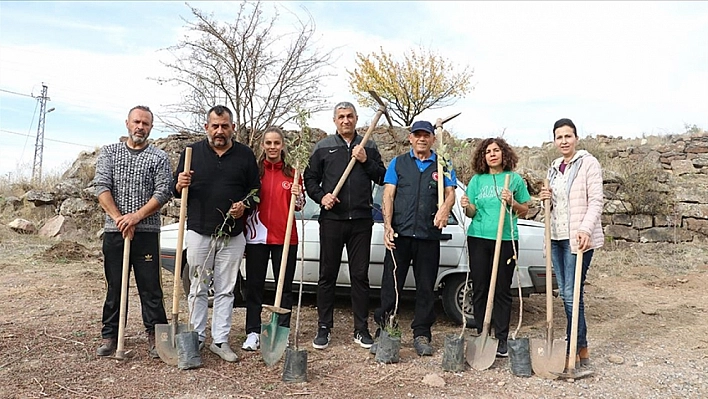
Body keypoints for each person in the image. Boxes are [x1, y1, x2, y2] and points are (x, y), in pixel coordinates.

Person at [173, 105, 260, 362]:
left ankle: (220, 340)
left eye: (225, 126)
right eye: (215, 126)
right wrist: (179, 184)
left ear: (233, 127)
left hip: (233, 235)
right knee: (198, 288)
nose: (220, 131)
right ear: (206, 128)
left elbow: (256, 192)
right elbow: (175, 189)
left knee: (226, 290)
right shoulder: (192, 154)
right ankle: (197, 337)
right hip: (199, 232)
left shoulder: (244, 155)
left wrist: (244, 206)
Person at [303, 101, 386, 350]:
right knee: (327, 274)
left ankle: (361, 329)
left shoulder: (368, 145)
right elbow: (310, 178)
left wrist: (364, 160)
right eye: (341, 116)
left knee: (360, 276)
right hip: (332, 220)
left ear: (356, 118)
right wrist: (321, 197)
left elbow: (382, 176)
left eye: (350, 116)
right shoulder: (323, 147)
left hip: (361, 220)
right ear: (335, 120)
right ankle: (324, 328)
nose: (346, 120)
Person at [93, 105, 172, 359]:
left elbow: (162, 192)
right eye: (137, 122)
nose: (140, 127)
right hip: (116, 232)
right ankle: (111, 334)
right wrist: (120, 219)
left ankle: (156, 335)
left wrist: (136, 217)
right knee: (114, 285)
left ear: (151, 128)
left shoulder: (158, 157)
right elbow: (102, 187)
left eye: (146, 124)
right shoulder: (109, 153)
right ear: (127, 123)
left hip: (146, 232)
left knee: (151, 287)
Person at [372, 120, 456, 356]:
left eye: (426, 135)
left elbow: (450, 194)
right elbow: (388, 195)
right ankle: (386, 330)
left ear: (432, 138)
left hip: (428, 236)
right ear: (410, 138)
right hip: (399, 235)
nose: (421, 139)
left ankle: (422, 334)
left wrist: (444, 209)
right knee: (391, 286)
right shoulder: (398, 163)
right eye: (417, 135)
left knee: (426, 288)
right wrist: (387, 226)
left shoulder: (443, 163)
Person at [539, 118, 603, 367]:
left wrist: (586, 228)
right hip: (556, 236)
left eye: (568, 136)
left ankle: (573, 345)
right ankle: (582, 347)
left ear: (576, 138)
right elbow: (556, 205)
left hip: (578, 238)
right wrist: (546, 198)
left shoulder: (588, 163)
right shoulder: (554, 168)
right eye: (559, 137)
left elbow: (596, 200)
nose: (563, 141)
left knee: (570, 294)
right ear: (554, 141)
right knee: (569, 295)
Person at [460, 137, 530, 357]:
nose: (492, 154)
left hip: (506, 238)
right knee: (480, 287)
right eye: (488, 151)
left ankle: (501, 338)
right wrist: (466, 206)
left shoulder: (514, 179)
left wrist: (512, 202)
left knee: (501, 289)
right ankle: (483, 332)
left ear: (504, 154)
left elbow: (524, 211)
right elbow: (471, 213)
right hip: (479, 238)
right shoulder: (477, 181)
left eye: (496, 150)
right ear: (483, 156)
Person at [242, 126, 305, 351]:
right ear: (262, 145)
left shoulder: (292, 173)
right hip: (257, 237)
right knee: (255, 287)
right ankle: (253, 332)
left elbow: (300, 206)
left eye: (276, 143)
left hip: (286, 239)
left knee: (284, 287)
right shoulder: (254, 172)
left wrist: (298, 195)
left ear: (282, 145)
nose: (272, 147)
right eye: (268, 143)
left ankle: (281, 330)